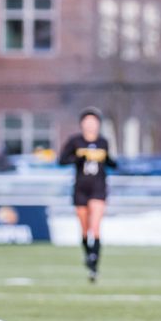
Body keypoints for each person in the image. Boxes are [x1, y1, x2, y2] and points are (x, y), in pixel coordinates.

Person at [59, 108, 117, 283]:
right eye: (87, 121)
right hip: (80, 189)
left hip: (98, 188)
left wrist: (110, 161)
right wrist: (78, 158)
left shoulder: (103, 142)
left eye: (94, 121)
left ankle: (94, 265)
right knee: (84, 228)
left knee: (95, 226)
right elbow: (62, 160)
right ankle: (88, 255)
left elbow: (110, 162)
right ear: (82, 124)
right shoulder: (75, 141)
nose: (90, 124)